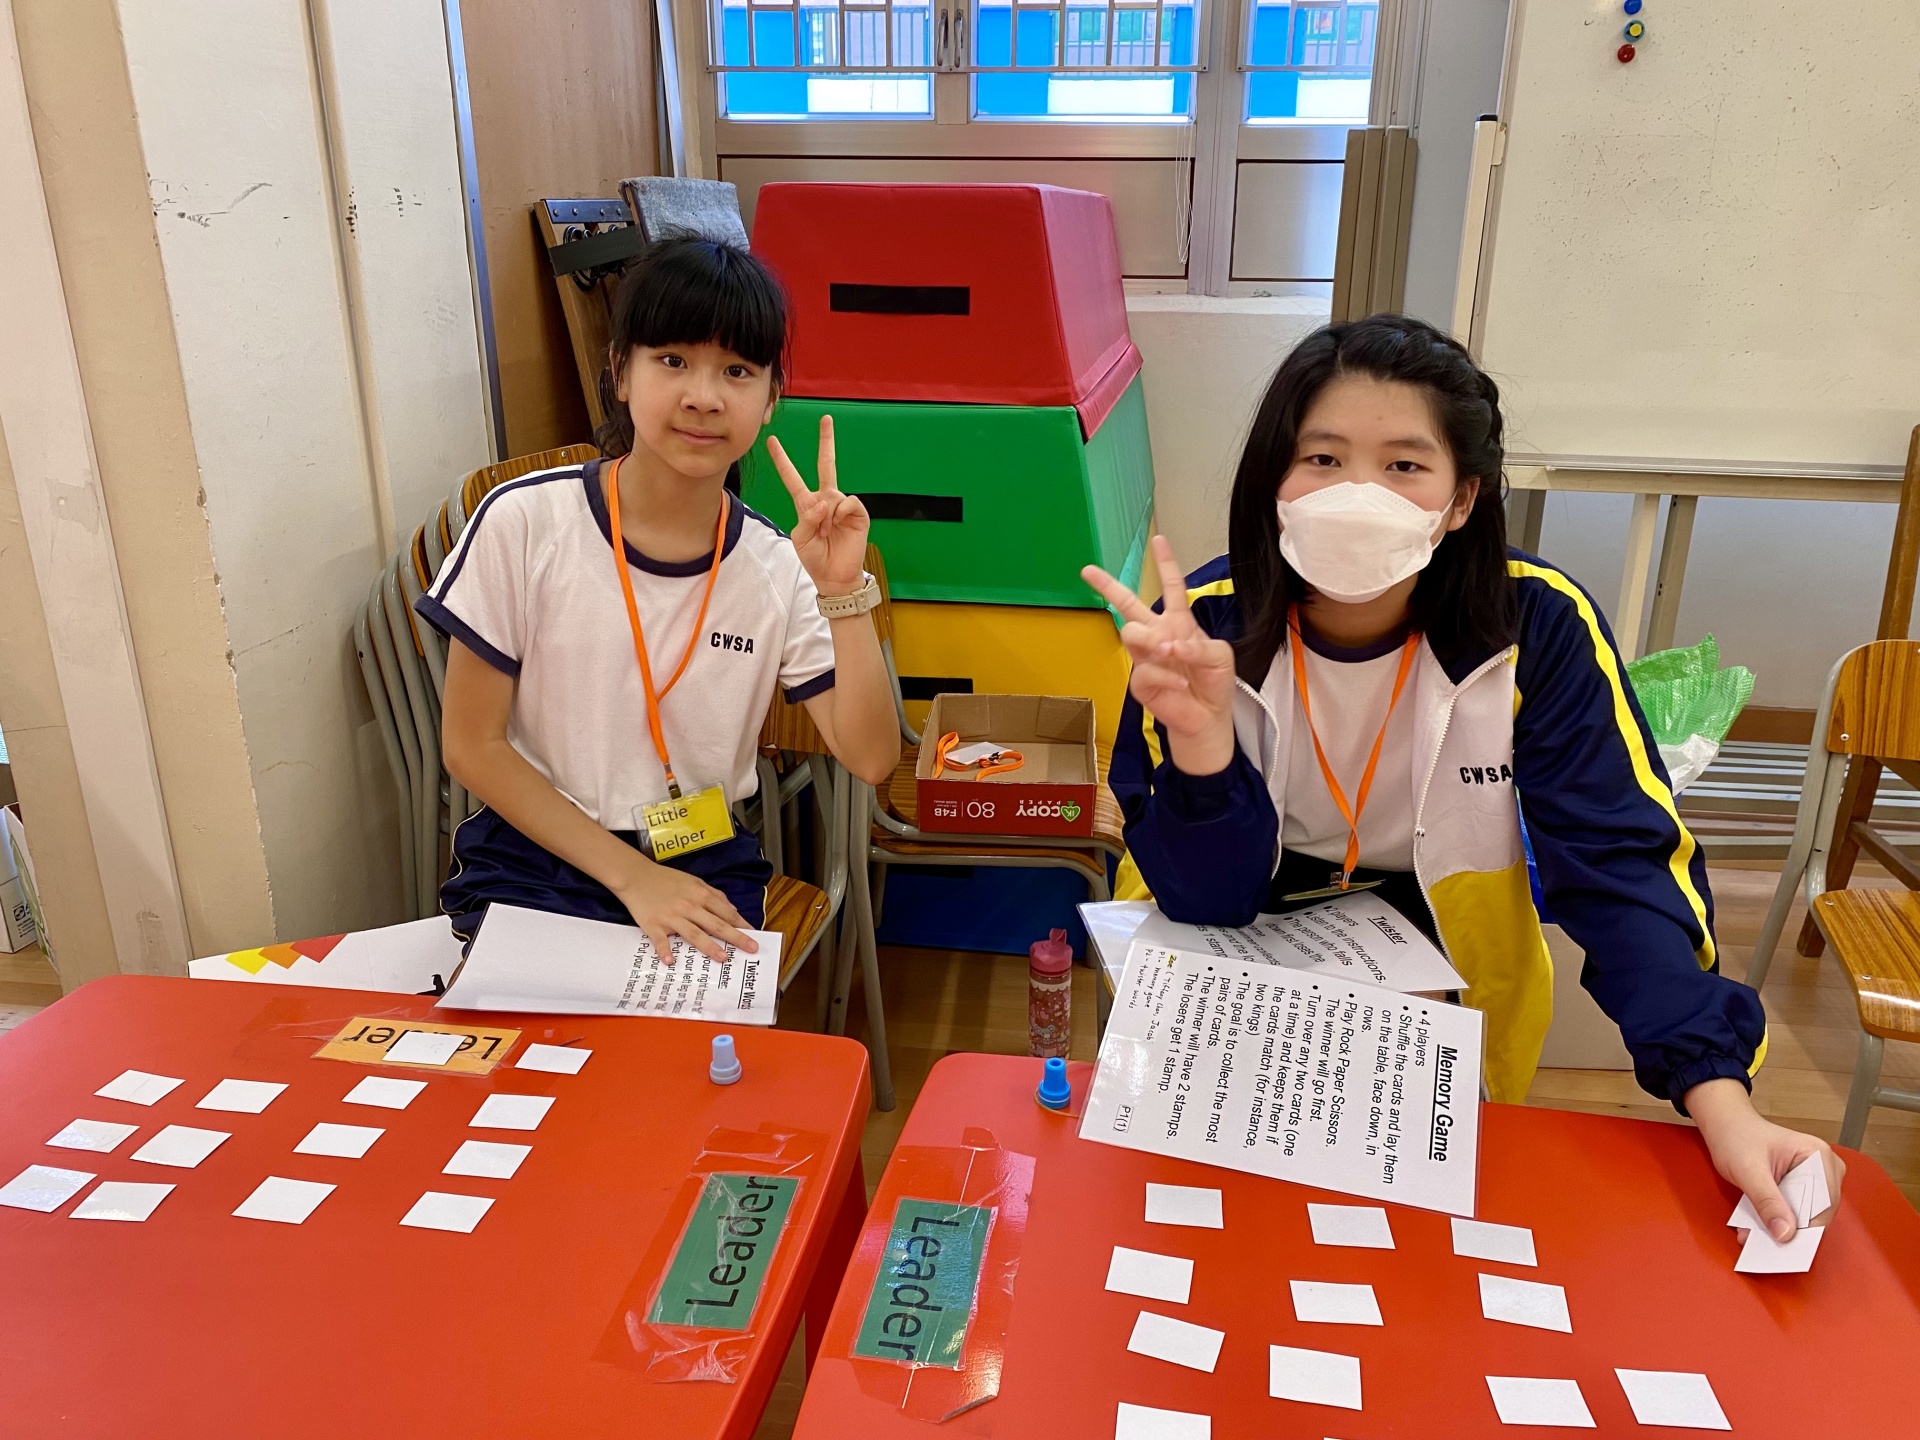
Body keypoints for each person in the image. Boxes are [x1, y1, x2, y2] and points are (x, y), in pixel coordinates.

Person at [1084, 313, 1842, 1241]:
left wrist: (1721, 1100)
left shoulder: (1537, 626)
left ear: (1461, 498)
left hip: (1440, 937)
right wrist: (1202, 742)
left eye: (1404, 465)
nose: (1358, 494)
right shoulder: (1201, 631)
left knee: (1406, 1238)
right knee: (1211, 1223)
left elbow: (1617, 862)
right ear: (1274, 480)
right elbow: (1206, 895)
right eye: (1322, 458)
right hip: (1232, 927)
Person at [419, 236, 900, 963]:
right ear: (621, 372)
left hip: (699, 860)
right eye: (672, 360)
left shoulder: (776, 564)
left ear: (770, 399)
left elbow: (871, 757)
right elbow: (471, 744)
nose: (703, 396)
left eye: (737, 371)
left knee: (682, 1038)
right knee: (544, 1034)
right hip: (538, 855)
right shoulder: (525, 521)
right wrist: (633, 877)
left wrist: (842, 595)